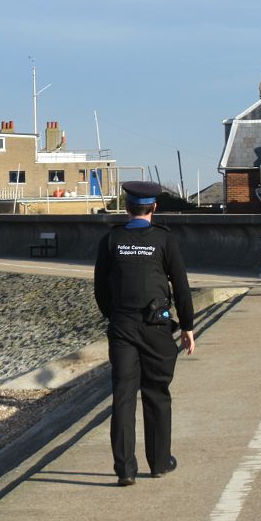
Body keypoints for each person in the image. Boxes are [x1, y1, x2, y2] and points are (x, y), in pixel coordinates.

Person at [94, 181, 195, 487]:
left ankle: (125, 469)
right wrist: (188, 326)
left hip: (122, 326)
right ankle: (160, 463)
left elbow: (100, 289)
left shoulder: (112, 239)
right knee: (156, 393)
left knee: (123, 396)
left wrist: (116, 316)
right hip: (157, 326)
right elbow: (181, 285)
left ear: (126, 208)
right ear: (154, 208)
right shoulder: (164, 240)